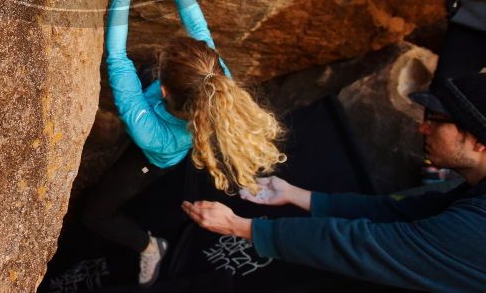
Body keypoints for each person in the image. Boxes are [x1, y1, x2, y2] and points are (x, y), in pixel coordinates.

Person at [81, 0, 286, 286]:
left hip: (152, 157)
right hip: (166, 111)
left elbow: (117, 58)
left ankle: (149, 247)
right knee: (137, 75)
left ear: (163, 89)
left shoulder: (149, 133)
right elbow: (199, 30)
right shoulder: (215, 77)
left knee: (93, 215)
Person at [182, 72, 486, 291]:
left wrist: (242, 227)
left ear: (479, 143)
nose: (423, 128)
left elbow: (363, 245)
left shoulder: (474, 228)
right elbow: (400, 213)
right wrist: (297, 195)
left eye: (436, 120)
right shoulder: (471, 192)